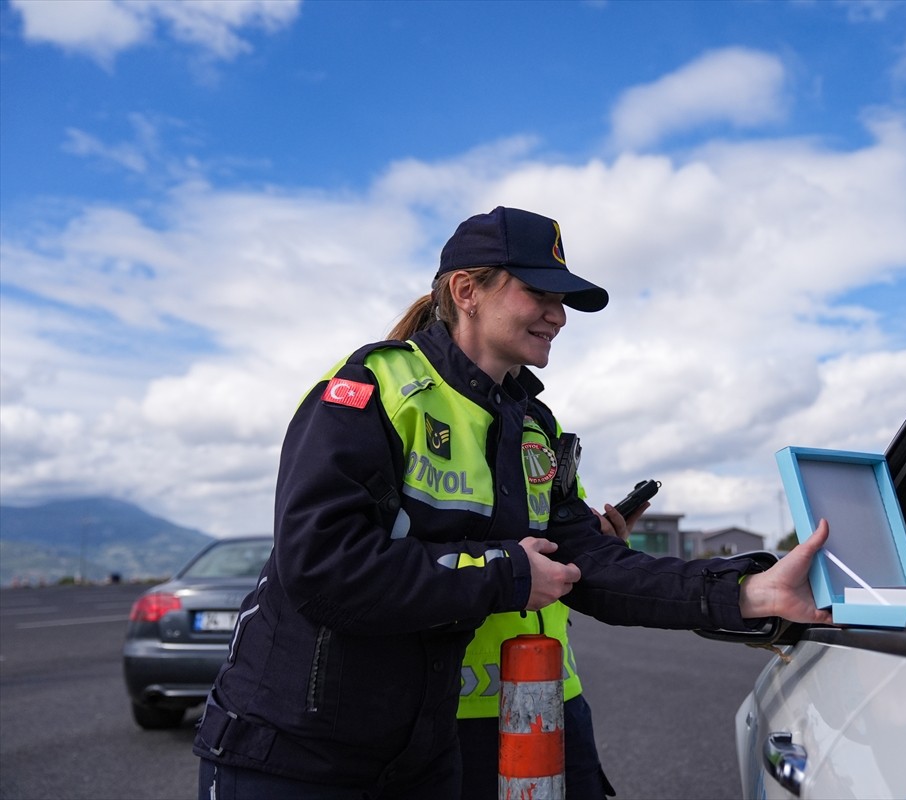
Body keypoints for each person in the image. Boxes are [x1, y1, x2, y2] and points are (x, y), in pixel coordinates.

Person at [193, 206, 832, 799]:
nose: (558, 314)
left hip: (422, 753)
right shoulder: (372, 387)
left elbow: (587, 564)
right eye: (540, 294)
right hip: (292, 753)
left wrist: (750, 593)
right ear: (467, 291)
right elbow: (323, 566)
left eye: (564, 301)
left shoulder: (535, 427)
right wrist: (507, 574)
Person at [456, 501, 642, 800]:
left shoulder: (557, 454)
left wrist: (600, 547)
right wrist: (511, 572)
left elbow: (564, 548)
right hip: (458, 711)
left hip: (561, 697)